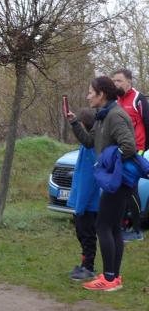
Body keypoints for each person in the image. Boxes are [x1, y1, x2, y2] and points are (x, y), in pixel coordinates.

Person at [67, 76, 137, 291]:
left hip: (118, 180)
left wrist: (108, 163)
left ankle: (108, 279)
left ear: (102, 94)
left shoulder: (115, 116)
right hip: (112, 180)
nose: (88, 96)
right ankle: (113, 277)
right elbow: (90, 142)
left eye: (91, 92)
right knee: (113, 227)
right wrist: (75, 123)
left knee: (103, 226)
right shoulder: (102, 116)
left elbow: (129, 146)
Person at [113, 69, 149, 241]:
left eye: (119, 81)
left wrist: (144, 148)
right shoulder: (116, 100)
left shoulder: (138, 99)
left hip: (136, 150)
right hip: (119, 150)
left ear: (129, 81)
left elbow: (148, 123)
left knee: (130, 188)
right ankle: (123, 225)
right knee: (121, 189)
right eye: (114, 81)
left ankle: (136, 230)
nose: (116, 84)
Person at [66, 109, 99, 281]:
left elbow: (88, 180)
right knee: (82, 234)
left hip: (88, 204)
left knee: (87, 235)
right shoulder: (85, 147)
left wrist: (80, 205)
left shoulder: (91, 149)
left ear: (84, 126)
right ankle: (84, 264)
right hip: (82, 202)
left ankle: (88, 268)